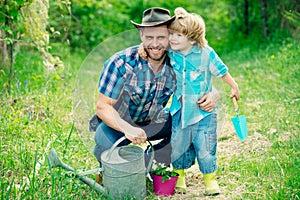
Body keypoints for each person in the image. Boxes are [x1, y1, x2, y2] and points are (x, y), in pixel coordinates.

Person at [90, 7, 219, 183]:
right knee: (104, 144)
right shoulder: (121, 63)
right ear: (141, 35)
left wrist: (213, 94)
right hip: (119, 121)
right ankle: (108, 168)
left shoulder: (177, 61)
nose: (155, 44)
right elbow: (102, 106)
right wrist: (128, 129)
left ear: (170, 36)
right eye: (149, 37)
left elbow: (202, 80)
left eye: (161, 37)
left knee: (189, 131)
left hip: (154, 120)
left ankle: (148, 165)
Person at [166, 7, 240, 195]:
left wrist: (234, 86)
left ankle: (210, 179)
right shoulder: (171, 53)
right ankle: (179, 176)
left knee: (206, 147)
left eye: (178, 35)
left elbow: (222, 71)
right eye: (171, 34)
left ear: (191, 38)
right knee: (178, 146)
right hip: (179, 110)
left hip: (203, 112)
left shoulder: (205, 53)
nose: (172, 38)